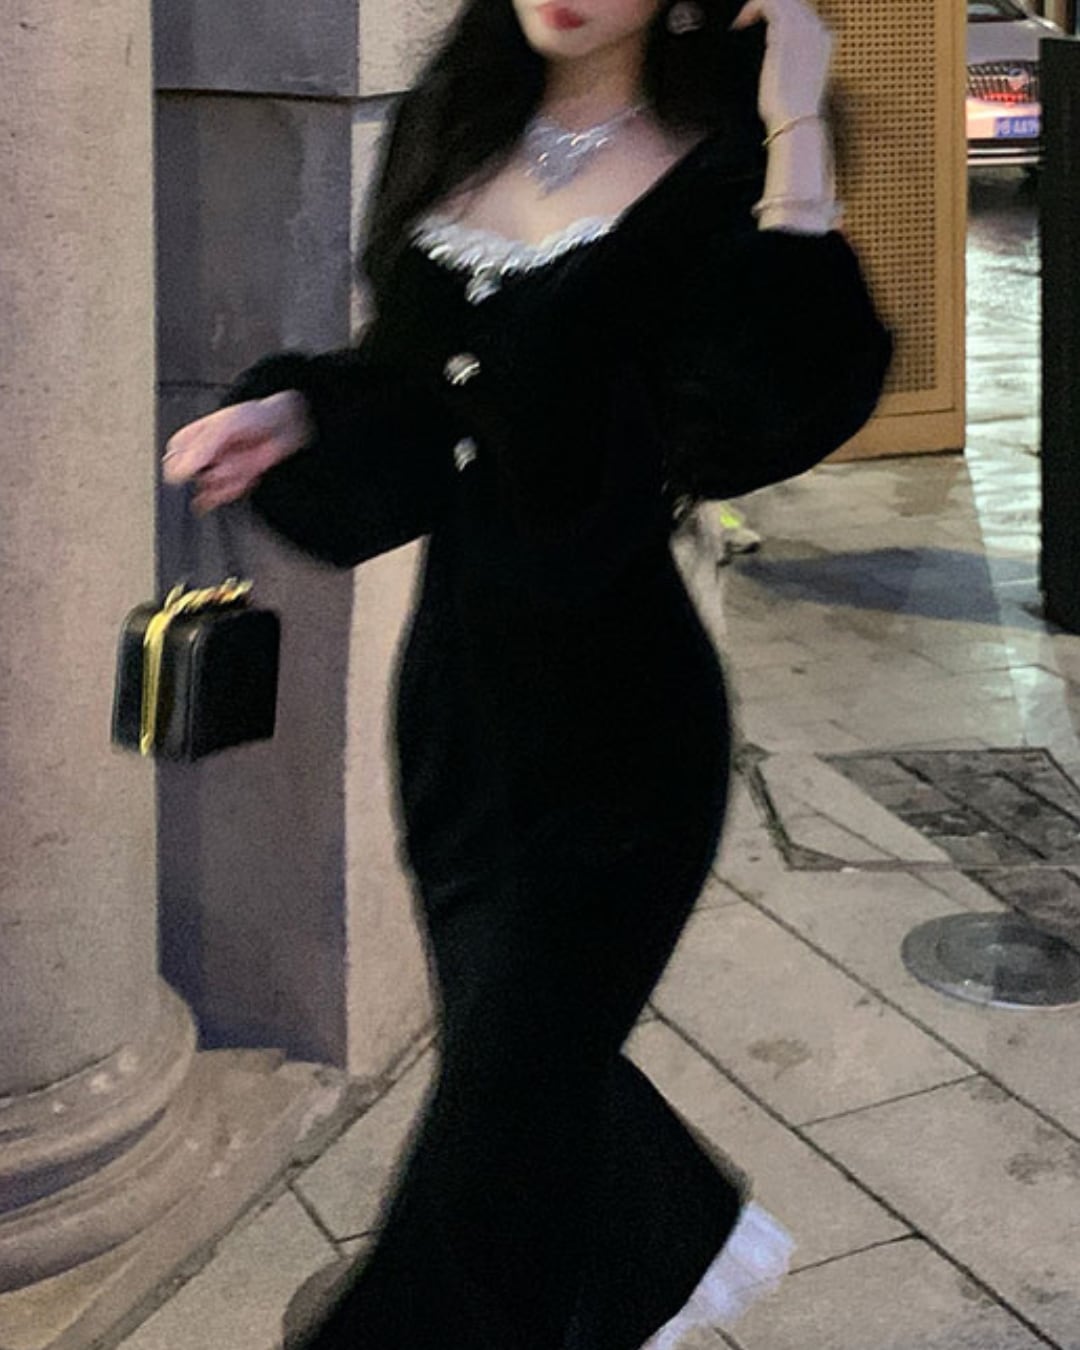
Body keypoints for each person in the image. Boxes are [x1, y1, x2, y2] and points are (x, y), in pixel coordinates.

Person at [163, 0, 892, 1344]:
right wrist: (298, 409)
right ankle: (661, 1243)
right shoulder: (457, 138)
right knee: (522, 1076)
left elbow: (772, 403)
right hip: (459, 714)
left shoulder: (718, 172)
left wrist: (795, 118)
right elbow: (415, 391)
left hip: (626, 731)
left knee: (502, 1101)